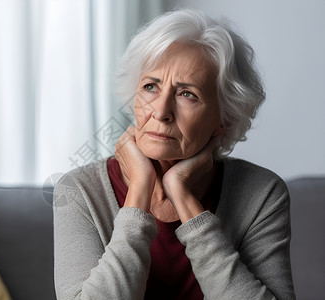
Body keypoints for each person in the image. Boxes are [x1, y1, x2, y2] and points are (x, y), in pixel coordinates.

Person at [53, 8, 295, 300]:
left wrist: (183, 198)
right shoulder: (79, 192)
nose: (161, 111)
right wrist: (140, 191)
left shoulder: (262, 194)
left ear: (225, 119)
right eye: (150, 87)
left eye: (187, 94)